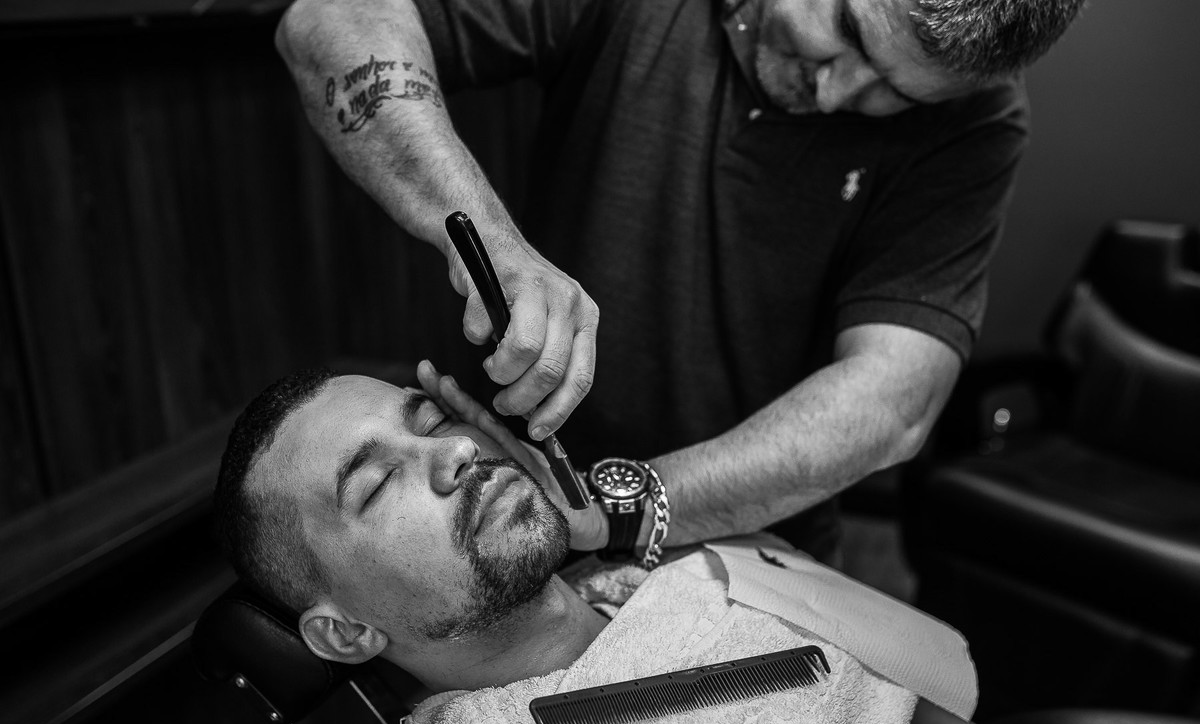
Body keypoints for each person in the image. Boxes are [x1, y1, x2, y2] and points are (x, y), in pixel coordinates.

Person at [273, 0, 1085, 563]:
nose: (837, 91)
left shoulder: (979, 121)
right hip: (510, 504)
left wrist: (620, 511)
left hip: (758, 539)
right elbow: (328, 25)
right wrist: (494, 243)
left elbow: (892, 399)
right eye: (847, 31)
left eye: (897, 95)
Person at [213, 364, 1092, 724]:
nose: (452, 452)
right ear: (344, 633)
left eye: (434, 419)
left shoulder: (675, 568)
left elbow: (899, 699)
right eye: (375, 484)